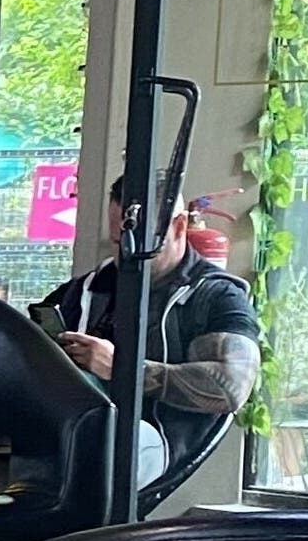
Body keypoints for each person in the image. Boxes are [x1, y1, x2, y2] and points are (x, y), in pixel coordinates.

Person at [32, 175, 260, 494]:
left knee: (104, 441)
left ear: (179, 228)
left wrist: (124, 369)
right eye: (118, 243)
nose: (127, 255)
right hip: (76, 422)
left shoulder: (214, 296)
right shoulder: (93, 287)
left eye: (142, 244)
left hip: (152, 436)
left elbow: (231, 387)